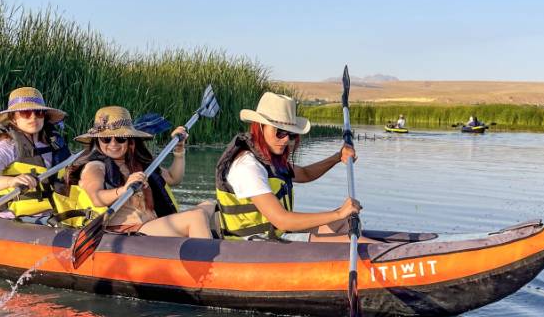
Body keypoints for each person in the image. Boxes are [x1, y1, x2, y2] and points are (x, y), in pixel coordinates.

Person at [215, 92, 364, 242]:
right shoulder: (247, 166)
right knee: (349, 237)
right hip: (254, 246)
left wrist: (338, 157)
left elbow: (305, 173)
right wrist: (338, 213)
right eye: (279, 132)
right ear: (260, 127)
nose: (286, 140)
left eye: (291, 134)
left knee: (344, 223)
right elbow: (282, 220)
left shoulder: (268, 160)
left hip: (275, 235)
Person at [71, 106, 214, 237]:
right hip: (128, 230)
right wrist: (124, 189)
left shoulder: (137, 163)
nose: (113, 144)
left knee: (209, 206)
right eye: (106, 139)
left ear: (129, 140)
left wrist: (179, 149)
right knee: (196, 217)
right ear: (97, 141)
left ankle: (216, 249)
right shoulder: (95, 166)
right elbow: (96, 198)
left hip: (152, 223)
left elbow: (173, 178)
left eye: (121, 138)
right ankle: (206, 254)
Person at [0, 86, 70, 221]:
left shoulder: (56, 146)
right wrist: (11, 181)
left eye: (38, 112)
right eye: (25, 113)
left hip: (55, 216)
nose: (33, 117)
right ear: (13, 118)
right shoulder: (6, 147)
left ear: (44, 116)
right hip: (14, 218)